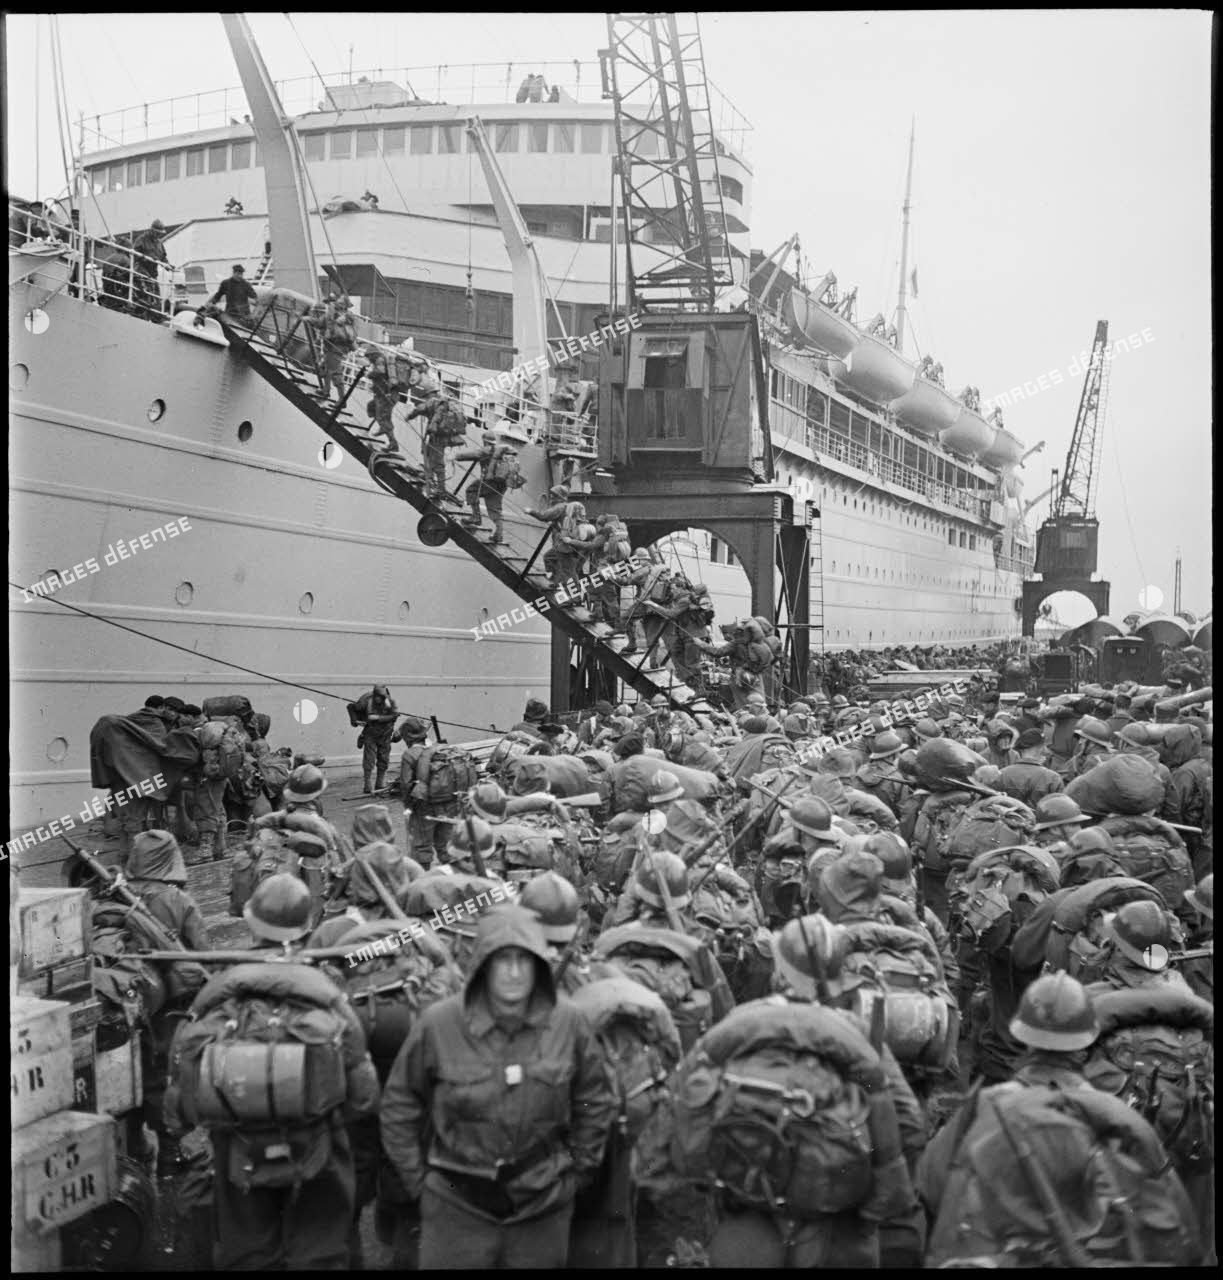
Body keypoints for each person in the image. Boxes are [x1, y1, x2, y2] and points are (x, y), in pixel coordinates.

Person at [378, 903, 616, 1268]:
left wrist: (576, 1171)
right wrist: (418, 1182)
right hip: (455, 1204)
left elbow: (595, 1100)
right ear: (483, 965)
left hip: (541, 1205)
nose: (515, 972)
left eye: (525, 960)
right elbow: (400, 1104)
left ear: (540, 964)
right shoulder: (440, 1024)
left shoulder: (569, 1023)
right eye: (503, 960)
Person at [164, 874, 380, 1269]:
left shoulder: (218, 993)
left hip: (239, 1152)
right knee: (323, 1250)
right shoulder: (328, 995)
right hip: (318, 1146)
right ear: (305, 925)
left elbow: (180, 1106)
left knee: (248, 1253)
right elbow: (364, 1097)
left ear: (252, 923)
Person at [454, 430, 523, 545]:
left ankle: (475, 517)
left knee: (471, 490)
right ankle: (498, 535)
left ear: (485, 441)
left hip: (490, 482)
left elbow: (472, 455)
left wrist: (455, 456)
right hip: (502, 484)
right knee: (495, 509)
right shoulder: (503, 453)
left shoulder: (488, 450)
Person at [998, 727, 1065, 807]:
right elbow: (1059, 810)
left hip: (1009, 819)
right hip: (1040, 819)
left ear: (1021, 750)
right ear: (1042, 749)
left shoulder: (1001, 774)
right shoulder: (1053, 778)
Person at [352, 683, 399, 794]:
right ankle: (367, 784)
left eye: (381, 697)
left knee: (384, 758)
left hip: (386, 734)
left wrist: (378, 717)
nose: (378, 699)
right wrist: (355, 721)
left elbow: (394, 716)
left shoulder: (391, 703)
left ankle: (379, 783)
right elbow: (351, 707)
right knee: (369, 759)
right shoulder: (365, 701)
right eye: (377, 696)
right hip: (371, 734)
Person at [313, 294, 357, 401]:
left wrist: (335, 316)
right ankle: (328, 391)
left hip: (338, 347)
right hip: (331, 346)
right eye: (338, 302)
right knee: (327, 368)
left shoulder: (347, 316)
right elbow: (320, 324)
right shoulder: (333, 313)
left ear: (345, 305)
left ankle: (337, 396)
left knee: (334, 372)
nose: (338, 304)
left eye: (341, 303)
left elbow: (339, 324)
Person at [130, 217, 168, 319]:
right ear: (152, 230)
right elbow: (134, 255)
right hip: (141, 270)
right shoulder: (141, 240)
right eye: (157, 232)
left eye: (160, 233)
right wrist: (148, 258)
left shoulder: (159, 243)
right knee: (145, 294)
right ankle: (143, 315)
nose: (159, 235)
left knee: (156, 295)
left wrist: (167, 265)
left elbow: (163, 257)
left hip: (152, 273)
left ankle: (157, 317)